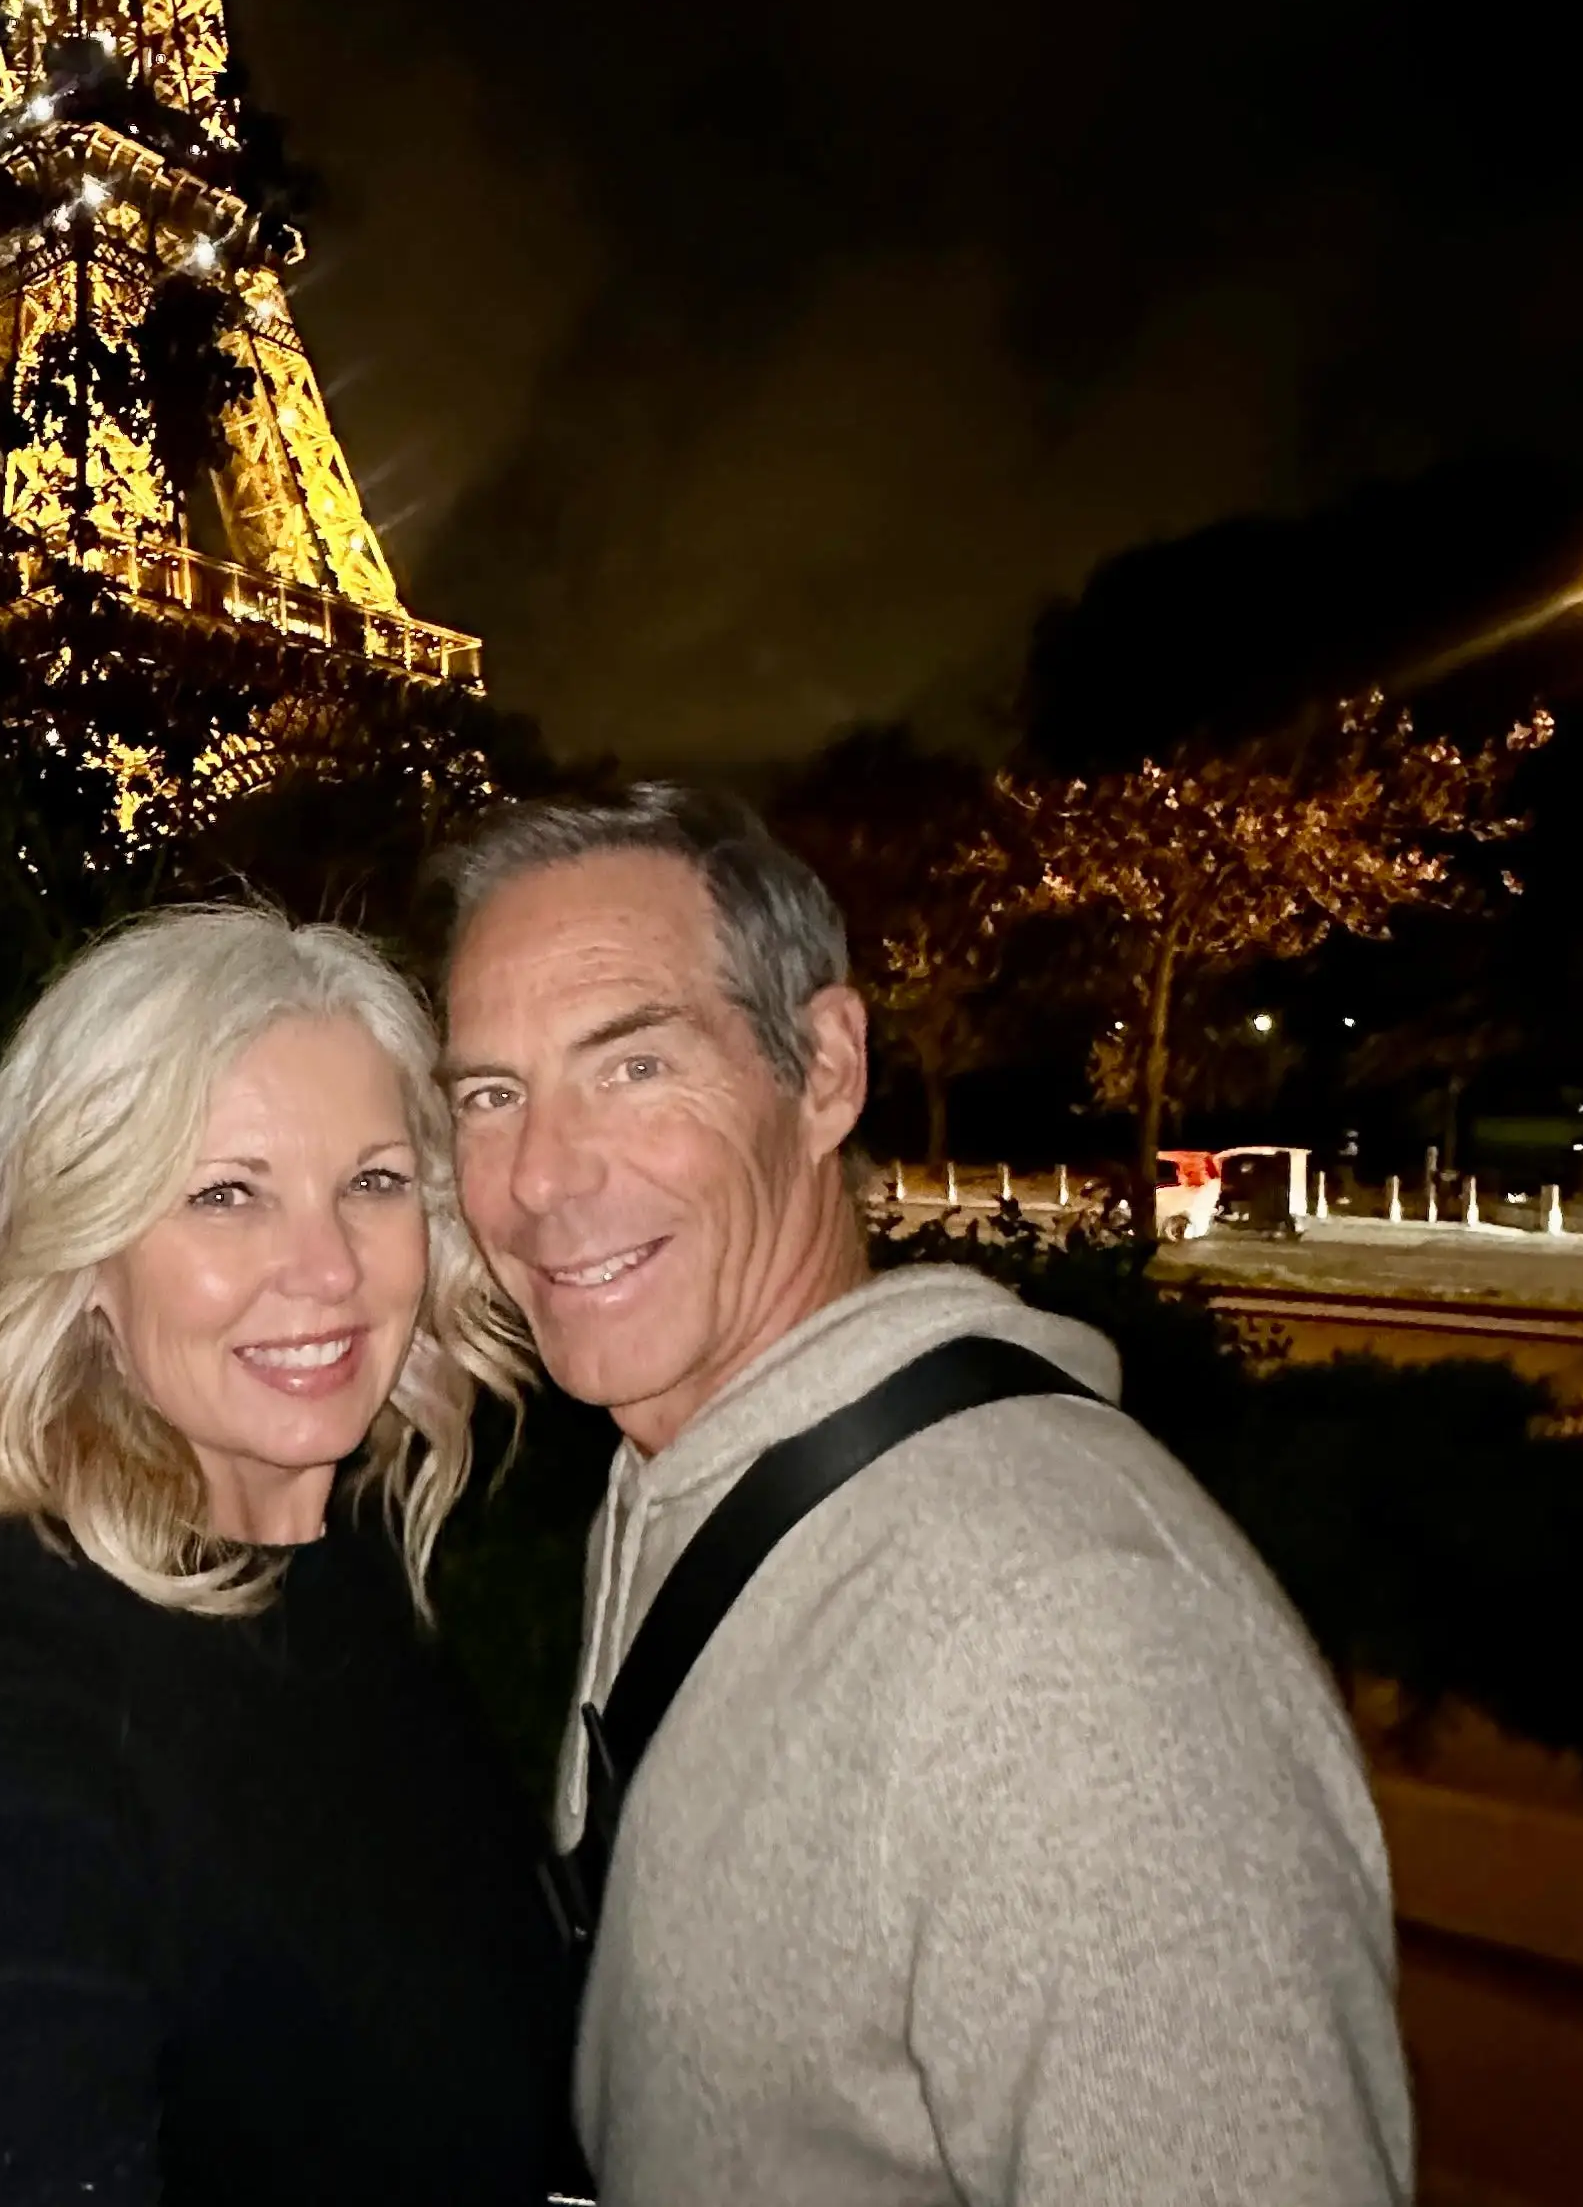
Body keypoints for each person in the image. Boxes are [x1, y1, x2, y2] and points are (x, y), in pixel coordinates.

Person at [436, 786, 1411, 2206]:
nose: (536, 1179)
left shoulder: (1073, 1645)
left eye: (634, 1067)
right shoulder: (700, 1478)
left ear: (825, 1069)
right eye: (488, 1095)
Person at [0, 907, 578, 2207]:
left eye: (372, 1183)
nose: (324, 1269)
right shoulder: (5, 1643)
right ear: (89, 1260)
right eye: (225, 1195)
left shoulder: (353, 1571)